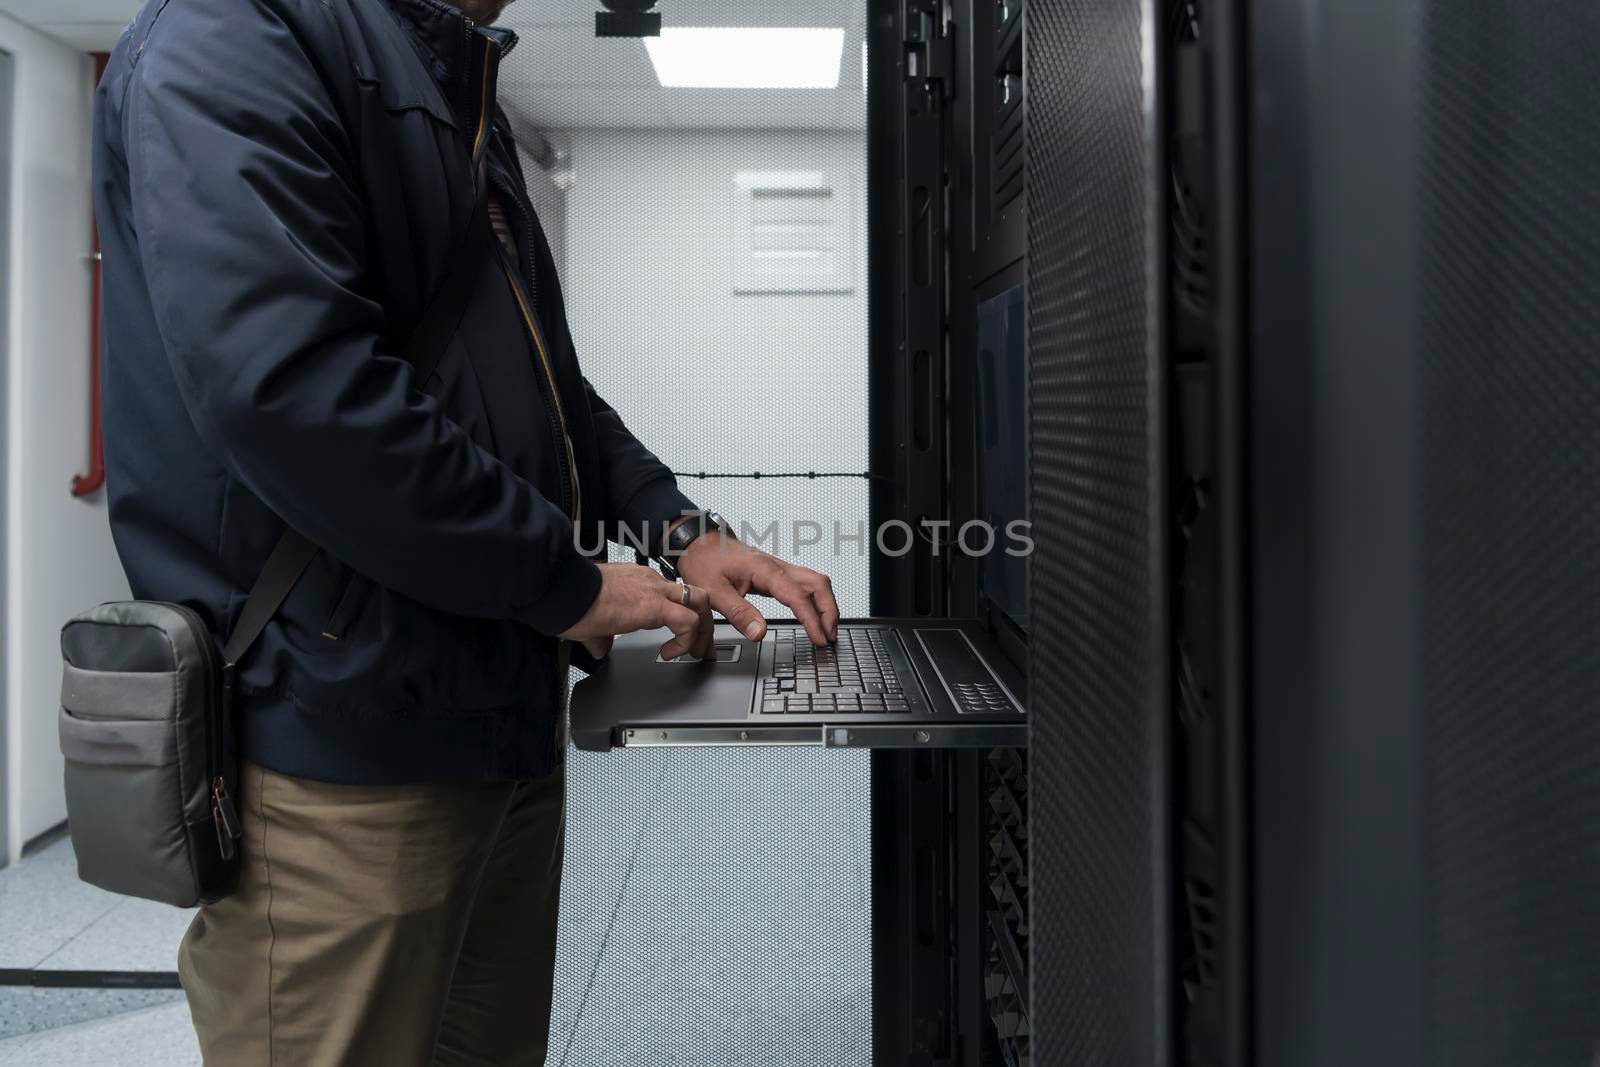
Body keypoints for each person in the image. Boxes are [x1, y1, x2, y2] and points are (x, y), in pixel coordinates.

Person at [92, 0, 839, 1062]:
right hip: (341, 752)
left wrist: (678, 527)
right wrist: (568, 584)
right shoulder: (236, 35)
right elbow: (296, 394)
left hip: (497, 722)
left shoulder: (449, 91)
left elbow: (546, 397)